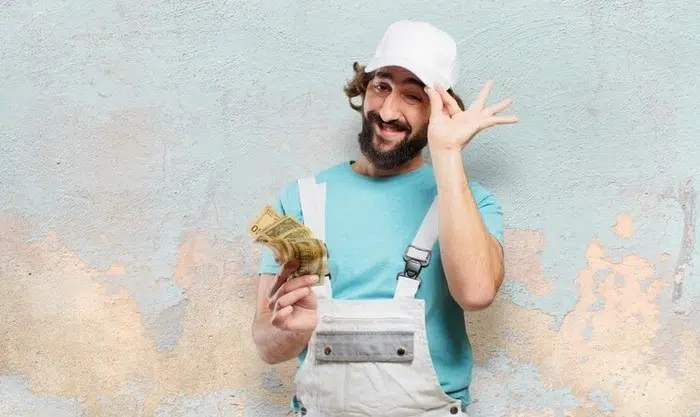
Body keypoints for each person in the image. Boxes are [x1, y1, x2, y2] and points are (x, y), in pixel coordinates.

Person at [251, 20, 519, 417]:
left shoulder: (468, 200)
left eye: (413, 96)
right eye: (381, 86)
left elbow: (477, 294)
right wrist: (292, 331)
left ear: (439, 110)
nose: (389, 111)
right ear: (364, 90)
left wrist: (446, 153)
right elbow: (265, 344)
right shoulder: (303, 199)